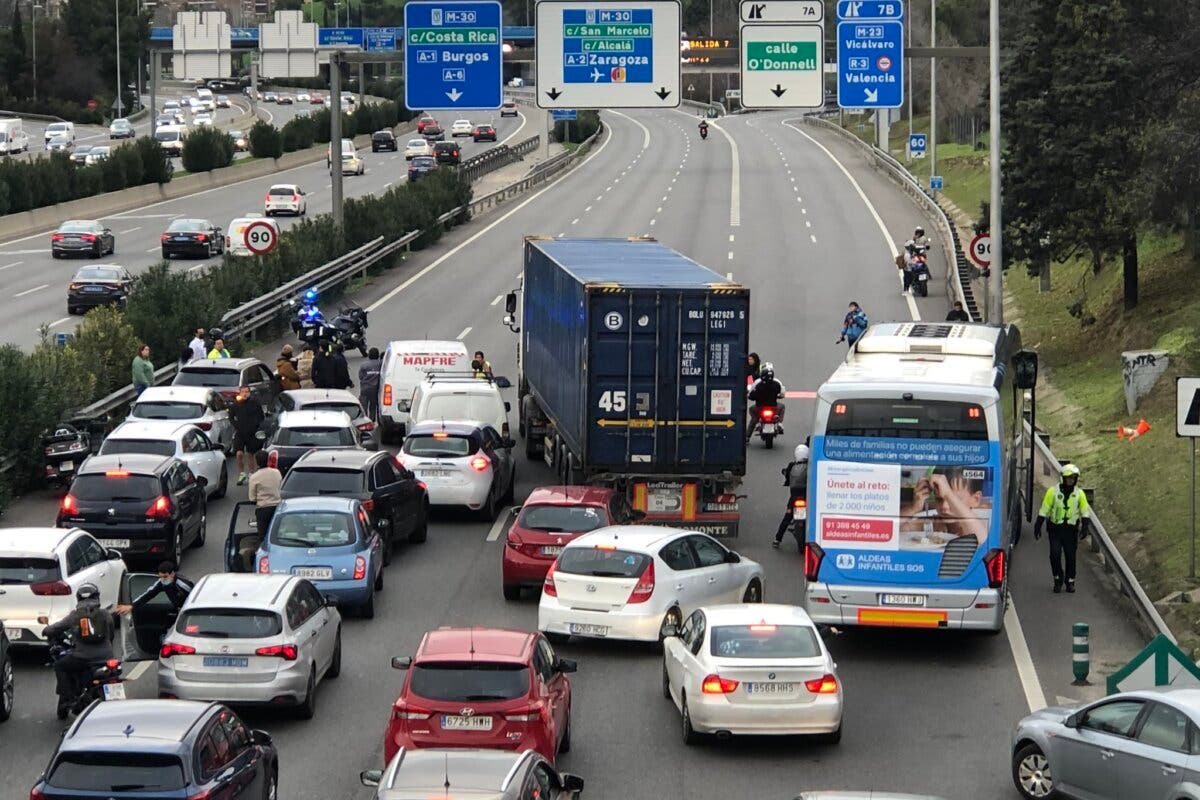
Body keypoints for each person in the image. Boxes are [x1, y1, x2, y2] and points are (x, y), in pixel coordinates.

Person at [42, 583, 118, 716]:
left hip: (83, 658)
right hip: (107, 658)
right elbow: (111, 635)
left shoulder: (74, 616)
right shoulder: (106, 614)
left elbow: (56, 628)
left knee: (60, 666)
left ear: (78, 599)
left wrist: (46, 630)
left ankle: (69, 699)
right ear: (97, 597)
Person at [1034, 463, 1091, 593]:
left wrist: (1085, 527)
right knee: (1054, 555)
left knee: (1070, 556)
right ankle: (1058, 578)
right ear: (1063, 478)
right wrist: (1038, 525)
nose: (1071, 480)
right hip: (1055, 529)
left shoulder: (1079, 494)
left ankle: (1070, 581)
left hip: (1070, 531)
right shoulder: (1052, 492)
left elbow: (1084, 511)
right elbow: (1045, 509)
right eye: (1069, 478)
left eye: (1073, 478)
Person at [116, 561, 193, 617]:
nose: (163, 579)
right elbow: (148, 594)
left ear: (172, 574)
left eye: (165, 577)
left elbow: (195, 597)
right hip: (178, 609)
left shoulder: (183, 584)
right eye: (160, 577)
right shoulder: (161, 583)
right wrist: (131, 606)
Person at [245, 450, 281, 570]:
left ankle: (265, 561)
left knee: (264, 537)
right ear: (268, 460)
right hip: (278, 508)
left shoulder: (254, 477)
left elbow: (252, 498)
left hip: (263, 509)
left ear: (256, 462)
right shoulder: (276, 472)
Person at [773, 444, 810, 548]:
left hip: (794, 496)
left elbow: (787, 478)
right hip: (807, 495)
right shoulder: (811, 465)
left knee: (787, 517)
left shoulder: (791, 465)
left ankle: (777, 539)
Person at [231, 389, 265, 485]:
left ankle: (251, 474)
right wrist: (236, 424)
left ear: (249, 393)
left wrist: (256, 424)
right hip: (240, 433)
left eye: (247, 392)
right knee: (239, 454)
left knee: (251, 454)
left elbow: (261, 416)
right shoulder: (235, 405)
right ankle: (242, 474)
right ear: (240, 393)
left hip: (252, 432)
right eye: (243, 392)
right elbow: (231, 417)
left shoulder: (255, 404)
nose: (245, 394)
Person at [747, 362, 785, 443]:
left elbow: (751, 395)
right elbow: (782, 394)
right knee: (782, 406)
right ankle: (779, 422)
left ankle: (748, 435)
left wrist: (751, 396)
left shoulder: (757, 383)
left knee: (751, 410)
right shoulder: (777, 383)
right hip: (774, 407)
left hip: (759, 408)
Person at [358, 347, 382, 419]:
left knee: (364, 406)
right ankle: (372, 420)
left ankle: (364, 420)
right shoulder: (381, 364)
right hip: (375, 389)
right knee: (373, 406)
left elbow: (360, 377)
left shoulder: (364, 365)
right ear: (378, 355)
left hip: (365, 389)